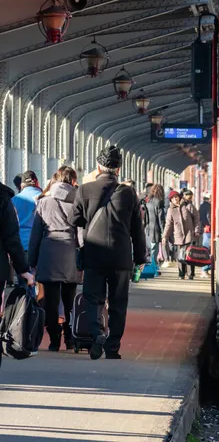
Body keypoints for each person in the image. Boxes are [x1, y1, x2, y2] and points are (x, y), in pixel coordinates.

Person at [69, 146, 147, 360]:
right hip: (121, 257)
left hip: (94, 254)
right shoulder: (129, 192)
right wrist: (141, 258)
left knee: (93, 298)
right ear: (118, 169)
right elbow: (137, 230)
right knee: (118, 302)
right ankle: (113, 346)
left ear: (98, 167)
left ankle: (96, 335)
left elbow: (73, 221)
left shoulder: (84, 190)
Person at [27, 166, 81, 351]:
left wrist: (31, 260)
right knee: (70, 299)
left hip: (48, 250)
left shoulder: (44, 202)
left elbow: (35, 235)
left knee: (50, 300)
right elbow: (81, 231)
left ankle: (54, 340)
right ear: (73, 181)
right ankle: (71, 337)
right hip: (70, 250)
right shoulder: (78, 201)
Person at [163, 190, 200, 280]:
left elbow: (196, 217)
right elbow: (168, 224)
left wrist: (197, 230)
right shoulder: (170, 210)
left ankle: (191, 274)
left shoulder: (188, 205)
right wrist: (165, 236)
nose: (175, 199)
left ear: (179, 197)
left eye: (176, 197)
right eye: (172, 198)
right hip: (178, 235)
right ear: (170, 200)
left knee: (190, 254)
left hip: (189, 234)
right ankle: (181, 274)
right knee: (180, 255)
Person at [11, 171, 42, 262]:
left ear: (22, 185)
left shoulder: (14, 200)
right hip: (41, 245)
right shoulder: (45, 198)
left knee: (23, 274)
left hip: (20, 244)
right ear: (36, 182)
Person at [144, 185, 166, 276]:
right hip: (156, 229)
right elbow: (161, 218)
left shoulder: (148, 201)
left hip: (148, 229)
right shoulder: (159, 202)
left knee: (149, 250)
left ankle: (152, 268)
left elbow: (145, 217)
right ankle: (153, 270)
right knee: (154, 251)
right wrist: (163, 231)